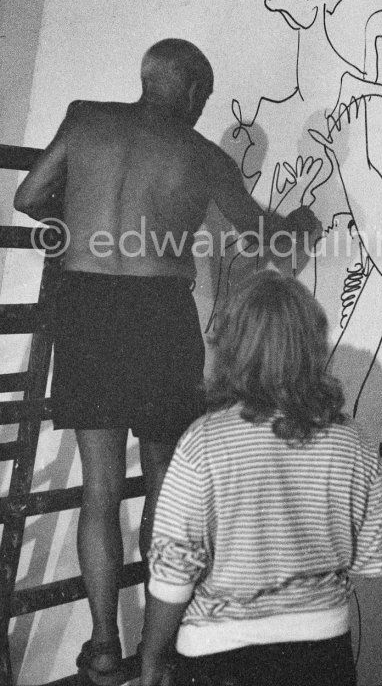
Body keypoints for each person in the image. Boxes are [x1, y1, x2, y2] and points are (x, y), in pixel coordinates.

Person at [13, 39, 320, 686]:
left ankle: (101, 649)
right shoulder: (203, 156)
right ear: (190, 91)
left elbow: (29, 197)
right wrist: (303, 221)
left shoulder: (84, 119)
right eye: (202, 96)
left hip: (88, 305)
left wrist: (77, 225)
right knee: (163, 484)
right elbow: (267, 238)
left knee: (98, 490)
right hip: (157, 313)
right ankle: (162, 652)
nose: (203, 107)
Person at [141, 270, 382, 686]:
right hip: (324, 654)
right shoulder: (354, 442)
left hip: (219, 659)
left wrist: (152, 654)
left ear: (232, 347)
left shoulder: (203, 441)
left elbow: (173, 572)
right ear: (312, 346)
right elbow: (372, 563)